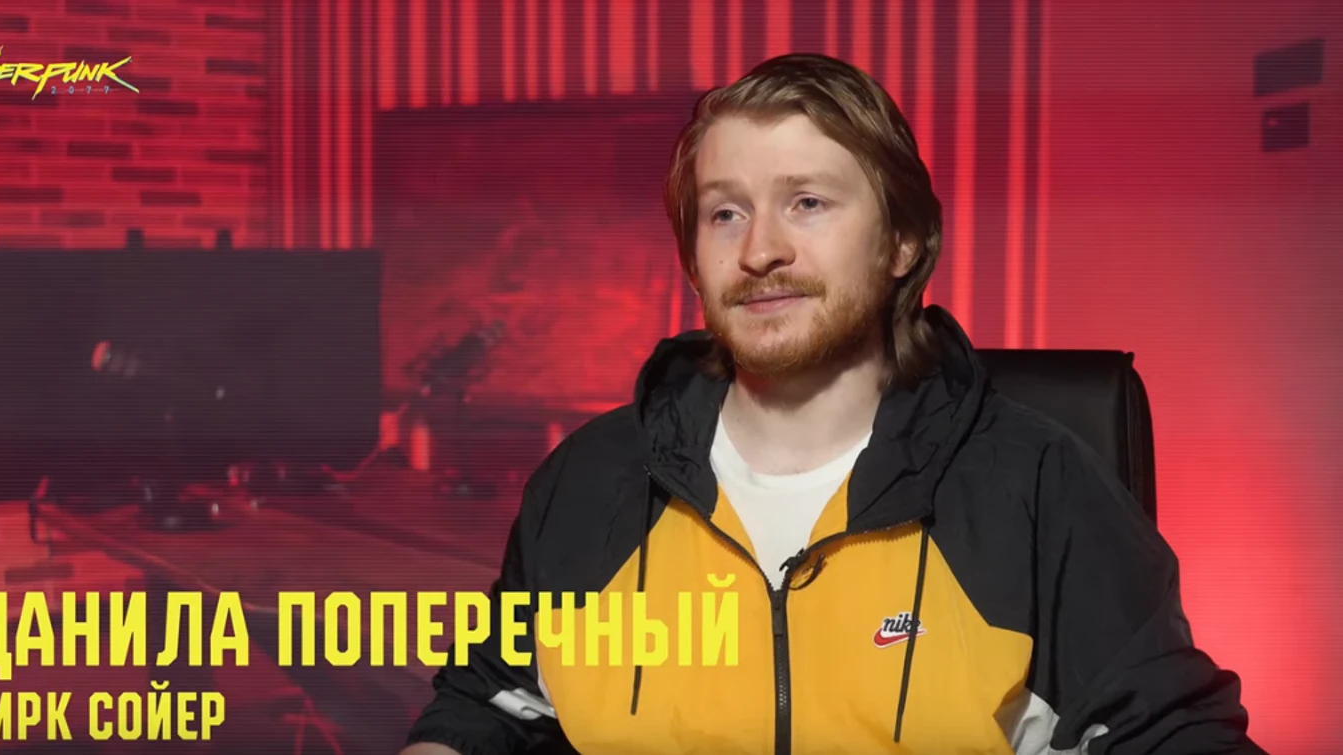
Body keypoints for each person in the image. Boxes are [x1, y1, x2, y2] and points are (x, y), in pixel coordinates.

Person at [401, 53, 1262, 755]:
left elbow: (1174, 733)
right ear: (692, 257)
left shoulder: (1036, 483)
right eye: (725, 213)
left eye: (806, 203)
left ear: (902, 240)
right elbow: (492, 704)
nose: (760, 250)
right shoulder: (586, 482)